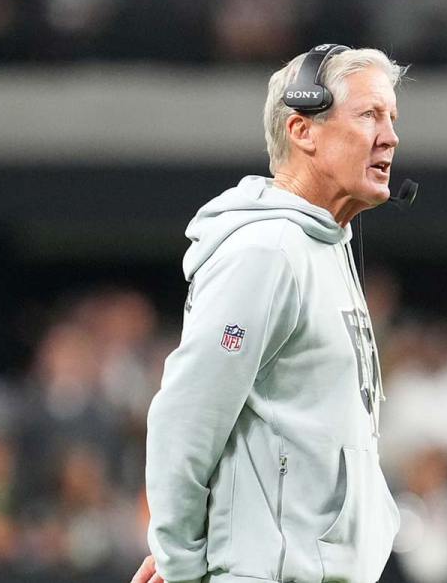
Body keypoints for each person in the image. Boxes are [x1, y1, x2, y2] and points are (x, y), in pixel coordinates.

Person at [131, 44, 405, 583]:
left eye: (392, 118)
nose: (391, 136)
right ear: (303, 130)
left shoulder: (323, 244)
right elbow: (187, 417)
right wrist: (180, 563)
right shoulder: (266, 251)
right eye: (369, 115)